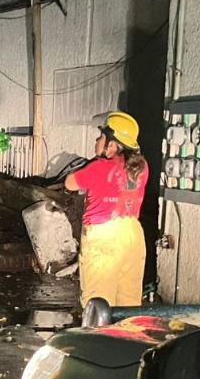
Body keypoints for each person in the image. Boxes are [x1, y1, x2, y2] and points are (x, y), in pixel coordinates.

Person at [64, 111, 149, 309]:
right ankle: (127, 330)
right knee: (129, 304)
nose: (97, 140)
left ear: (112, 145)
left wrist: (91, 163)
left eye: (101, 136)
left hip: (103, 238)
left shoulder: (99, 167)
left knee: (99, 303)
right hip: (133, 236)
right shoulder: (143, 168)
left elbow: (69, 183)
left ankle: (100, 330)